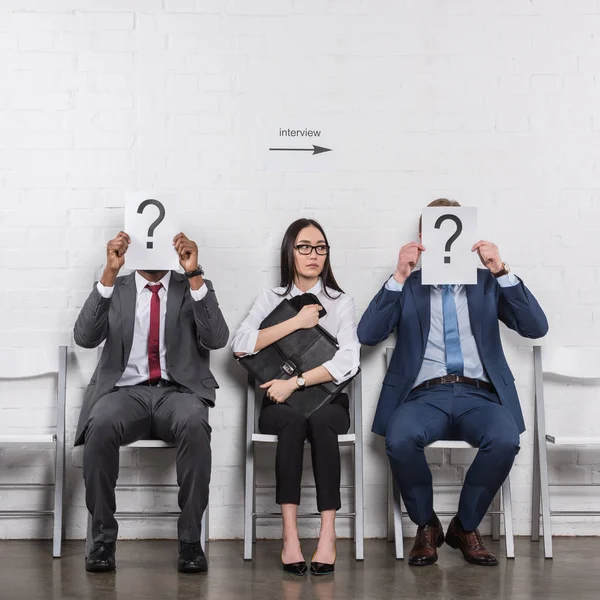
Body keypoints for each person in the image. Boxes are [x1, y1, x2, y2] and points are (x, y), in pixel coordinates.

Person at [358, 199, 548, 566]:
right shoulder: (409, 285)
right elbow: (367, 334)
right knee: (399, 439)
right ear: (423, 237)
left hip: (480, 396)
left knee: (505, 439)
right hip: (424, 396)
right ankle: (427, 524)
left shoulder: (486, 285)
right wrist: (398, 276)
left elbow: (536, 327)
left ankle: (465, 525)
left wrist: (501, 270)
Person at [74, 231, 229, 573]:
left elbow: (217, 338)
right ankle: (102, 541)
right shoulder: (118, 287)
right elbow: (84, 337)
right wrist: (109, 274)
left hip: (178, 393)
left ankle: (190, 541)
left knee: (193, 422)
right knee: (99, 424)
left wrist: (194, 274)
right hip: (125, 393)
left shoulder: (192, 285)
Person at [232, 218, 360, 576]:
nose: (313, 254)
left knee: (320, 422)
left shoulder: (340, 301)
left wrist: (296, 382)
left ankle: (327, 536)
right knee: (290, 422)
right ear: (290, 251)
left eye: (320, 247)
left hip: (327, 402)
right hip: (279, 404)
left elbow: (349, 360)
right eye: (305, 247)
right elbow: (240, 346)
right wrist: (296, 322)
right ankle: (290, 536)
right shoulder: (269, 299)